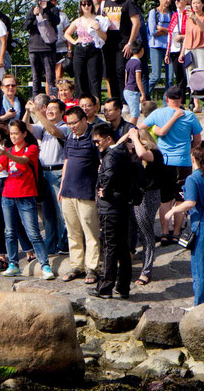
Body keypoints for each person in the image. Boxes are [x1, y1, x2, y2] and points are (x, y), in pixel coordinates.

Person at [0, 120, 55, 280]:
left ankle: (45, 265)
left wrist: (6, 154)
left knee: (33, 233)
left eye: (17, 133)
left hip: (26, 195)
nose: (14, 136)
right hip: (8, 196)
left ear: (24, 133)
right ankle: (13, 264)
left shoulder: (31, 148)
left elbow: (23, 160)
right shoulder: (8, 149)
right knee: (10, 232)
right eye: (11, 134)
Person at [164, 141, 204, 307]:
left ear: (193, 159)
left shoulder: (192, 179)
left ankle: (198, 307)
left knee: (199, 269)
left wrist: (173, 211)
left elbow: (191, 203)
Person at [140, 86, 202, 245]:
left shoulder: (157, 113)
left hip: (164, 162)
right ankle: (176, 233)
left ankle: (165, 233)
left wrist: (150, 145)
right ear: (181, 99)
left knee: (165, 199)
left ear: (166, 99)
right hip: (183, 162)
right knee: (180, 198)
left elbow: (140, 128)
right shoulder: (189, 115)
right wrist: (189, 149)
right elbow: (197, 141)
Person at [0, 115, 32, 269]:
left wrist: (3, 153)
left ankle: (29, 251)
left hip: (10, 179)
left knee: (14, 219)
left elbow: (17, 157)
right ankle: (1, 257)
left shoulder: (8, 140)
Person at [89, 123, 134, 299]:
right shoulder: (123, 152)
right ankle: (123, 286)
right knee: (123, 247)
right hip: (122, 205)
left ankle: (105, 287)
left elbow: (107, 176)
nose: (96, 145)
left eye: (98, 141)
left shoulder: (111, 155)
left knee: (109, 247)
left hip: (110, 208)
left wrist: (104, 191)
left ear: (108, 139)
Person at [58, 106, 101, 284]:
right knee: (72, 231)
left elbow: (101, 163)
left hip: (86, 192)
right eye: (68, 124)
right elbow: (66, 162)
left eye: (74, 122)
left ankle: (92, 267)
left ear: (84, 120)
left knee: (90, 231)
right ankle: (77, 265)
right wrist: (61, 188)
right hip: (68, 191)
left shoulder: (94, 137)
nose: (72, 127)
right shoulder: (69, 137)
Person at [24, 97, 70, 254]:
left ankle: (64, 244)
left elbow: (53, 131)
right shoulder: (42, 127)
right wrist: (27, 111)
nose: (50, 110)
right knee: (47, 213)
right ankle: (50, 245)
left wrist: (38, 112)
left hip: (58, 173)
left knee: (61, 212)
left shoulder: (64, 127)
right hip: (43, 173)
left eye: (54, 108)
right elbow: (26, 128)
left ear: (62, 112)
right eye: (48, 108)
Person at [127, 128, 163, 286]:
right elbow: (114, 148)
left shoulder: (155, 153)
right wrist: (127, 136)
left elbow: (143, 155)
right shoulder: (133, 153)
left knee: (146, 232)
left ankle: (146, 271)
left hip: (149, 195)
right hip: (133, 194)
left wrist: (135, 137)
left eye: (134, 141)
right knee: (130, 230)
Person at [64, 0, 109, 102]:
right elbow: (66, 33)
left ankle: (95, 104)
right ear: (80, 6)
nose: (86, 6)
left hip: (93, 49)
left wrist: (97, 29)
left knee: (94, 78)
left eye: (88, 4)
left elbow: (104, 37)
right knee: (79, 77)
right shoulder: (77, 21)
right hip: (80, 50)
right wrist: (75, 42)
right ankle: (80, 103)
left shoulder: (98, 19)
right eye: (84, 4)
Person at [102, 0, 141, 99]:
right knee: (110, 73)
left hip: (123, 43)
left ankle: (124, 101)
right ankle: (114, 100)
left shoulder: (127, 3)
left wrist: (130, 43)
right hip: (108, 44)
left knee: (121, 71)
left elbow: (136, 23)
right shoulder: (104, 4)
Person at [24, 0, 60, 97]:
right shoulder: (32, 10)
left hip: (48, 48)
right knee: (36, 78)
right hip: (34, 48)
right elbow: (26, 27)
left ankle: (53, 100)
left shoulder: (53, 9)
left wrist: (45, 10)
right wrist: (35, 15)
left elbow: (56, 22)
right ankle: (36, 102)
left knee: (51, 79)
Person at [179, 0, 204, 112]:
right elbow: (187, 36)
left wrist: (195, 18)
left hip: (202, 49)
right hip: (190, 49)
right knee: (191, 77)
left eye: (198, 3)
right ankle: (196, 104)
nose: (196, 5)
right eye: (194, 3)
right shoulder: (188, 20)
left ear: (202, 4)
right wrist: (182, 53)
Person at [122, 0, 150, 97]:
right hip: (129, 47)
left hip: (141, 46)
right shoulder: (122, 9)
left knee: (143, 74)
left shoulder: (136, 8)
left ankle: (145, 99)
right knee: (130, 75)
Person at [148, 0, 174, 97]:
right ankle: (144, 95)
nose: (168, 1)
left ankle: (167, 102)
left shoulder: (172, 14)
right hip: (156, 46)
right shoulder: (153, 13)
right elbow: (153, 31)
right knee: (156, 76)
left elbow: (175, 32)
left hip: (169, 47)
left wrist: (162, 29)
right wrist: (168, 30)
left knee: (170, 78)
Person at [165, 0, 191, 91]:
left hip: (186, 48)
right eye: (175, 0)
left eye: (179, 0)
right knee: (179, 76)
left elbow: (193, 33)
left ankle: (192, 100)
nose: (176, 2)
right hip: (174, 49)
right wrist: (167, 53)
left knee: (187, 75)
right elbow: (170, 35)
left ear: (186, 1)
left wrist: (182, 37)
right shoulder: (175, 15)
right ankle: (181, 101)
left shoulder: (189, 14)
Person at [123, 40, 146, 125]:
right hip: (133, 91)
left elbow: (126, 76)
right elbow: (138, 79)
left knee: (133, 113)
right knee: (135, 115)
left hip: (127, 89)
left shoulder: (128, 62)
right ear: (142, 50)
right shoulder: (138, 63)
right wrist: (143, 93)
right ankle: (130, 132)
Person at [52, 0, 72, 82]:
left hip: (61, 49)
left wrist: (69, 49)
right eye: (51, 0)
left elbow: (68, 33)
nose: (53, 2)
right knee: (50, 76)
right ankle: (50, 95)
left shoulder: (63, 16)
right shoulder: (44, 14)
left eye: (54, 0)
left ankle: (58, 95)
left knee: (58, 75)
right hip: (48, 49)